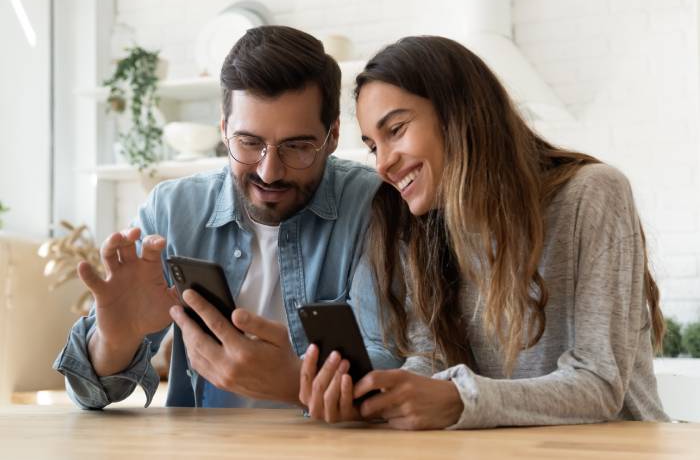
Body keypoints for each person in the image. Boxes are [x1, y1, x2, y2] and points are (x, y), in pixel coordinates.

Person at [299, 35, 669, 429]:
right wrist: (384, 395)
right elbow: (432, 359)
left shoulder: (592, 194)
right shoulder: (424, 228)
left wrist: (460, 399)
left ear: (459, 113)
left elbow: (599, 384)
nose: (384, 165)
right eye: (374, 146)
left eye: (397, 129)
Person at [53, 26, 401, 409]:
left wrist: (294, 381)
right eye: (249, 143)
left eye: (297, 147)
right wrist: (114, 341)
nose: (269, 172)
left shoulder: (374, 206)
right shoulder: (171, 212)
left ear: (332, 136)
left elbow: (391, 367)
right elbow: (88, 393)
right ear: (223, 129)